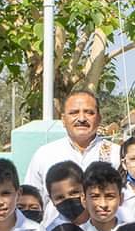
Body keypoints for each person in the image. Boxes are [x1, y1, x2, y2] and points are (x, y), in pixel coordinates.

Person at [24, 89, 121, 217]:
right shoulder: (45, 155)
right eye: (74, 113)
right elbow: (29, 202)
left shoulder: (116, 154)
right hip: (56, 229)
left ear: (99, 118)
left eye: (89, 112)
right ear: (63, 120)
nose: (82, 118)